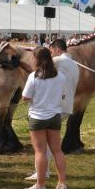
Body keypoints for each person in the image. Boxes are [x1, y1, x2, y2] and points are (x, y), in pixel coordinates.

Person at [26, 39, 79, 181]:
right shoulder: (74, 65)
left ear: (57, 50)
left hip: (52, 107)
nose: (51, 55)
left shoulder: (59, 61)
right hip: (65, 105)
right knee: (54, 147)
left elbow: (43, 64)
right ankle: (53, 176)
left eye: (51, 51)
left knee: (43, 148)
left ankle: (42, 173)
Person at [22, 47, 68, 189]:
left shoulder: (33, 76)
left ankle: (40, 184)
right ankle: (62, 183)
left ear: (37, 59)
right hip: (54, 116)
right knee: (57, 151)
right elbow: (63, 95)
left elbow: (25, 97)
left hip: (38, 117)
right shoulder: (60, 76)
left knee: (40, 152)